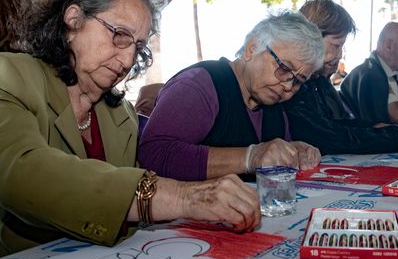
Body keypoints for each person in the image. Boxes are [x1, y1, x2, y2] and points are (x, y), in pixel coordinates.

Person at [0, 0, 260, 259]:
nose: (128, 60)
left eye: (138, 46)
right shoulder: (0, 76)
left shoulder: (120, 117)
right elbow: (19, 175)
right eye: (118, 35)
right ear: (73, 20)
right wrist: (185, 197)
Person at [139, 11, 324, 181]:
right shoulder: (198, 85)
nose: (287, 85)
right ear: (252, 48)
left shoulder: (275, 107)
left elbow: (271, 159)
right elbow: (154, 155)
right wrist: (249, 157)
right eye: (283, 68)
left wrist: (292, 151)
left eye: (298, 80)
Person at [283, 0, 398, 155]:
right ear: (310, 38)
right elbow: (326, 137)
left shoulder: (318, 80)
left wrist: (381, 129)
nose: (340, 54)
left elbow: (338, 124)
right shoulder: (296, 82)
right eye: (337, 45)